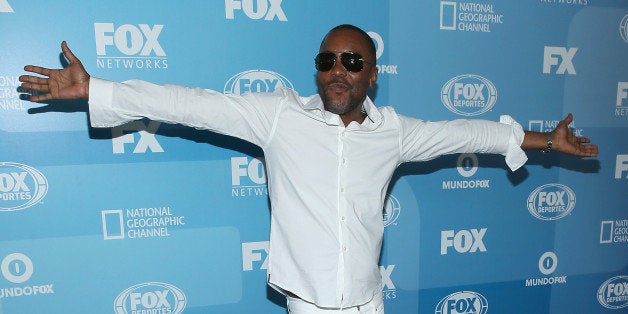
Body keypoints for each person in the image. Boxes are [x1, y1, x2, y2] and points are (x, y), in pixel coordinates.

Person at [20, 24, 597, 314]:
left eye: (353, 62)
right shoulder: (279, 118)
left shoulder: (393, 131)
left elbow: (464, 133)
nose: (338, 71)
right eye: (327, 61)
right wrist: (99, 89)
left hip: (369, 302)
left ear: (372, 75)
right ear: (317, 69)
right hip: (309, 305)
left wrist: (543, 138)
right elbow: (186, 102)